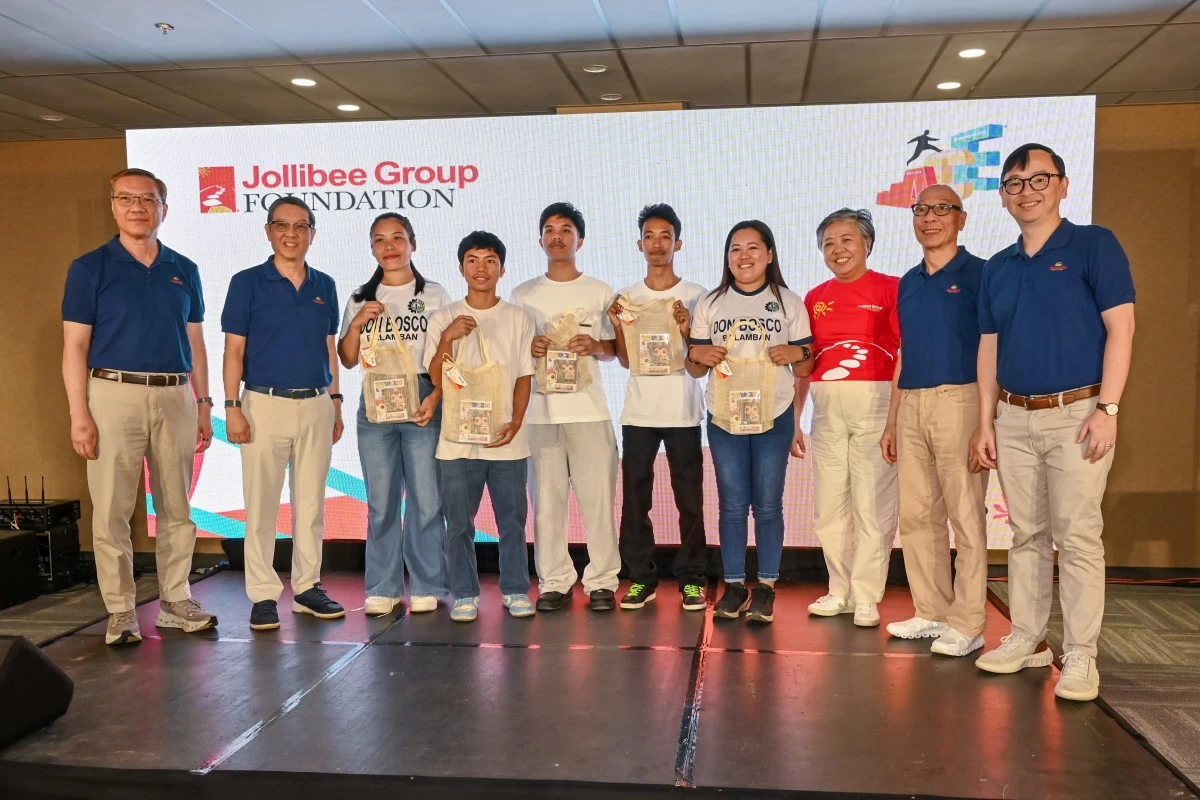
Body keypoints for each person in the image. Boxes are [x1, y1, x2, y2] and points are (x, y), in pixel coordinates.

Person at [973, 144, 1135, 702]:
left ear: (1063, 185)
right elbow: (988, 347)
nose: (1027, 191)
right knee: (1026, 535)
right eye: (1014, 183)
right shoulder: (997, 267)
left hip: (1079, 416)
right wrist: (986, 421)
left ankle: (1082, 653)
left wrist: (1108, 409)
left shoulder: (1094, 244)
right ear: (1003, 196)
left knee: (1078, 536)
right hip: (1013, 416)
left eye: (1039, 179)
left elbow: (1122, 329)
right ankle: (1028, 636)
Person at [61, 168, 218, 646]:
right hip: (113, 394)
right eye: (126, 198)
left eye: (147, 199)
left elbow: (195, 343)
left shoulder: (184, 268)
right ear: (113, 206)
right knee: (111, 509)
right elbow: (74, 347)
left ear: (163, 209)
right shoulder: (89, 268)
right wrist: (79, 415)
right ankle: (121, 610)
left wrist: (204, 404)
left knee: (177, 507)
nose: (137, 207)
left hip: (176, 395)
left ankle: (175, 601)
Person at [221, 197, 345, 631]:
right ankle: (262, 595)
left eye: (301, 226)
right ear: (268, 231)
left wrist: (335, 401)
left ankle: (307, 588)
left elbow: (328, 347)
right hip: (263, 404)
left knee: (311, 505)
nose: (291, 234)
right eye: (282, 225)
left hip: (316, 404)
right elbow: (233, 350)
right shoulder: (246, 283)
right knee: (262, 505)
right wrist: (232, 407)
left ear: (313, 233)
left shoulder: (325, 284)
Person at [880, 186, 989, 657]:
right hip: (912, 403)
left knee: (965, 515)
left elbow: (993, 347)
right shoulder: (908, 281)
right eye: (921, 210)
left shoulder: (982, 274)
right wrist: (892, 420)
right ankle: (932, 610)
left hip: (960, 401)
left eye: (942, 209)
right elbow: (904, 352)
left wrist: (987, 418)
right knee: (918, 515)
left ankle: (969, 622)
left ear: (961, 219)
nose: (930, 218)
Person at [687, 220, 812, 623]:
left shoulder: (789, 302)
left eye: (753, 248)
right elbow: (694, 367)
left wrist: (795, 354)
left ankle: (767, 588)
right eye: (735, 249)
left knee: (769, 503)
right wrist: (697, 357)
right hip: (724, 416)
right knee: (732, 504)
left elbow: (806, 363)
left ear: (770, 254)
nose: (744, 256)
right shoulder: (711, 302)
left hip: (775, 413)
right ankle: (734, 585)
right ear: (727, 258)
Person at [338, 213, 451, 617]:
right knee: (381, 501)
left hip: (422, 397)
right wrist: (357, 324)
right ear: (372, 248)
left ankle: (426, 583)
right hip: (376, 401)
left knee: (426, 498)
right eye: (380, 240)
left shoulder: (434, 294)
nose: (389, 247)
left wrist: (436, 395)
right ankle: (382, 586)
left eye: (398, 238)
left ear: (412, 244)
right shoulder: (360, 297)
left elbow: (448, 353)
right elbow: (347, 359)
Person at [511, 203, 620, 613]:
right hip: (540, 415)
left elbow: (615, 350)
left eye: (566, 229)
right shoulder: (522, 294)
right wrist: (530, 346)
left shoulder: (600, 291)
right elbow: (512, 353)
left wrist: (595, 345)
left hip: (590, 412)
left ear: (580, 240)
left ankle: (602, 581)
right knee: (546, 504)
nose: (557, 236)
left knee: (599, 502)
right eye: (550, 230)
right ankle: (554, 580)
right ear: (540, 240)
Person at [424, 231, 536, 622]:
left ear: (502, 269)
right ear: (461, 268)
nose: (481, 268)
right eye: (472, 260)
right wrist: (448, 338)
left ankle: (516, 590)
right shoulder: (444, 317)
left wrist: (517, 421)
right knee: (458, 524)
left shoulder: (518, 317)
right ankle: (465, 594)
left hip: (506, 440)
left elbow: (525, 375)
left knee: (513, 523)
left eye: (490, 260)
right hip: (456, 443)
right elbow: (435, 378)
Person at [802, 208, 900, 628]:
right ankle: (838, 589)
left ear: (867, 244)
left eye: (847, 240)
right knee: (829, 505)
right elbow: (805, 362)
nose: (837, 249)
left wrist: (894, 420)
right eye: (828, 243)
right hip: (826, 407)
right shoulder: (814, 297)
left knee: (871, 504)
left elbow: (905, 355)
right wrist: (795, 417)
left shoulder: (892, 288)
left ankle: (866, 595)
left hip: (875, 402)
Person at [608, 204, 709, 612]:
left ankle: (693, 580)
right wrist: (618, 326)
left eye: (665, 236)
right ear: (639, 244)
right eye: (649, 236)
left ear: (677, 244)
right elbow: (625, 359)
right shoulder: (627, 297)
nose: (657, 244)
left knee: (690, 501)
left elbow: (701, 360)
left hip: (683, 410)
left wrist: (687, 329)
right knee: (635, 500)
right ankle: (641, 578)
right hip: (639, 413)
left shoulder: (698, 295)